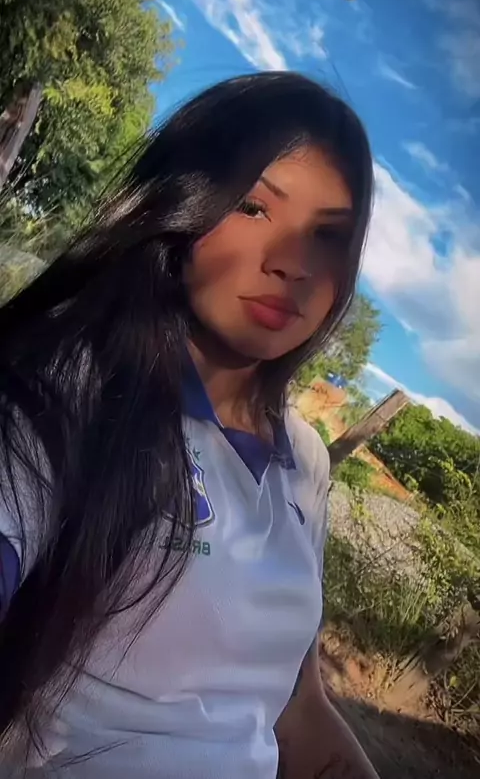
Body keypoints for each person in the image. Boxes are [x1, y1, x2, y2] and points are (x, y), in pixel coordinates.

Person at [0, 71, 378, 779]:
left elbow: (296, 708)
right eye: (255, 208)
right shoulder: (67, 392)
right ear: (183, 203)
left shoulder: (304, 460)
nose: (293, 264)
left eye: (328, 236)